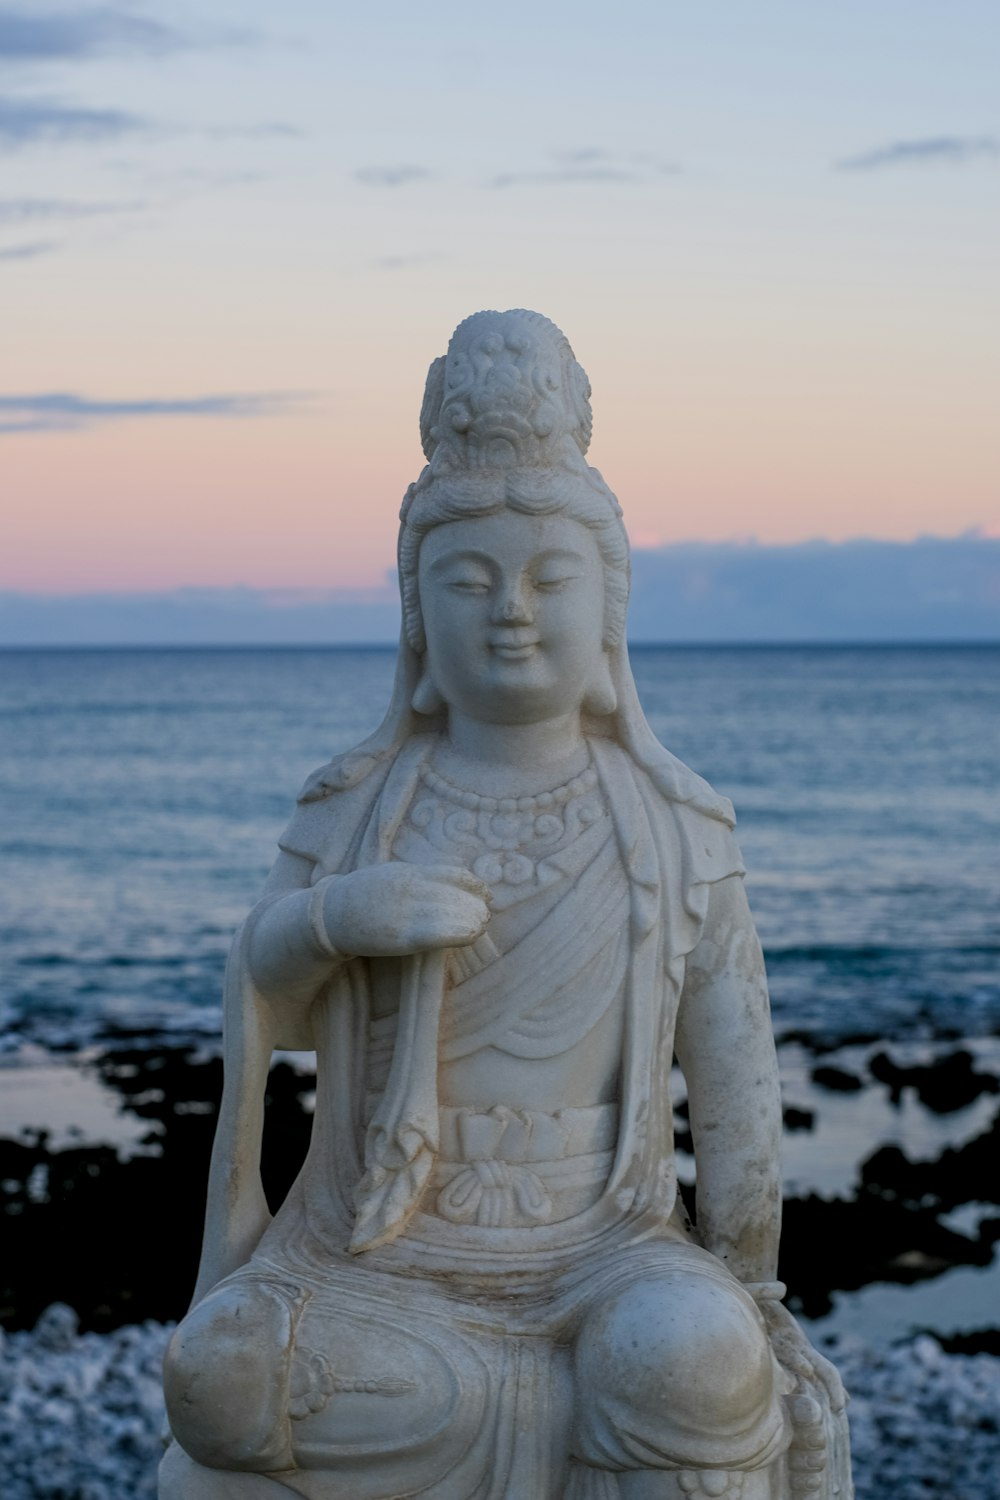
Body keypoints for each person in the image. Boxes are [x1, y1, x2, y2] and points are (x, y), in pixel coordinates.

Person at [161, 310, 849, 1500]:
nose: (512, 609)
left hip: (609, 1248)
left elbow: (739, 1116)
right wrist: (334, 923)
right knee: (217, 1376)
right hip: (379, 1253)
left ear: (609, 610)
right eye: (467, 580)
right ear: (417, 618)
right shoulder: (353, 808)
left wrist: (751, 1304)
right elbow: (256, 1003)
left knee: (685, 1357)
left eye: (550, 577)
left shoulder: (676, 829)